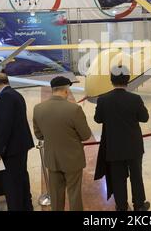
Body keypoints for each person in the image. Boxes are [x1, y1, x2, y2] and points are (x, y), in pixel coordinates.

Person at [94, 66, 150, 211]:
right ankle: (139, 205)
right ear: (128, 80)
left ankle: (121, 206)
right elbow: (144, 118)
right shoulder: (135, 99)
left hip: (114, 146)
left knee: (118, 178)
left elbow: (98, 119)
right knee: (136, 176)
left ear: (111, 80)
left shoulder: (103, 99)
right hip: (134, 146)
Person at [33, 76, 92, 211]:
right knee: (74, 195)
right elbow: (86, 135)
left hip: (52, 159)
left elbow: (39, 134)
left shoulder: (38, 108)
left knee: (56, 196)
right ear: (66, 90)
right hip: (72, 160)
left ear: (53, 90)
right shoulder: (74, 109)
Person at [0, 72, 34, 211]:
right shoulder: (16, 94)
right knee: (21, 178)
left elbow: (5, 125)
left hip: (12, 149)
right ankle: (27, 206)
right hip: (21, 145)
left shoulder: (5, 97)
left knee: (11, 183)